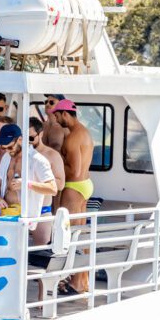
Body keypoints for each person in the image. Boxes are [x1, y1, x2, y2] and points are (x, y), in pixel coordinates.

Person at [52, 99, 95, 294]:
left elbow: (74, 170)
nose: (55, 119)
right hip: (84, 185)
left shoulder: (72, 137)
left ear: (65, 114)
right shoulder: (83, 132)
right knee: (81, 234)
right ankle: (83, 281)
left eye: (56, 115)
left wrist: (57, 162)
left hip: (74, 186)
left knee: (73, 236)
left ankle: (78, 282)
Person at [0, 124, 58, 220]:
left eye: (10, 147)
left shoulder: (38, 160)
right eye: (4, 148)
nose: (7, 151)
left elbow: (53, 189)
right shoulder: (6, 157)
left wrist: (27, 184)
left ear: (20, 140)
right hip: (7, 212)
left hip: (31, 215)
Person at [29, 117, 66, 244]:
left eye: (31, 138)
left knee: (41, 251)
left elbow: (60, 184)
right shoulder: (18, 154)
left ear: (41, 134)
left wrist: (37, 180)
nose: (27, 142)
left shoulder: (52, 155)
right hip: (19, 209)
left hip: (42, 210)